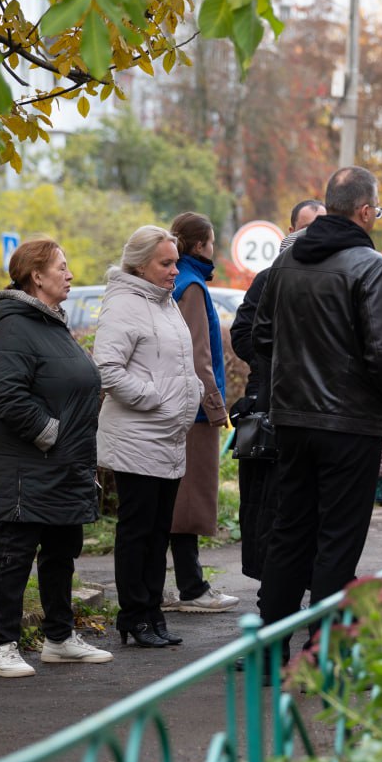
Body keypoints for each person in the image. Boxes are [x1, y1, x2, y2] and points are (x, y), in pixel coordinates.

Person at [253, 166, 382, 657]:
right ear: (364, 211)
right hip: (351, 424)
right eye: (376, 211)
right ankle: (323, 647)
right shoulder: (372, 266)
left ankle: (270, 646)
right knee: (339, 537)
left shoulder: (286, 262)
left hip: (293, 421)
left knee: (290, 531)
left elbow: (260, 336)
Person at [0, 239, 112, 677]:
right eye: (62, 266)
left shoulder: (51, 324)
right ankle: (0, 647)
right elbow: (6, 396)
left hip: (64, 464)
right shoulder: (16, 326)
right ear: (36, 276)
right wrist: (50, 434)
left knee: (61, 551)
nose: (70, 274)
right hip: (29, 466)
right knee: (14, 553)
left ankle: (59, 638)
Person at [94, 226, 204, 647]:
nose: (175, 270)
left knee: (160, 532)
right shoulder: (124, 304)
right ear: (140, 264)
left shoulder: (164, 302)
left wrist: (190, 391)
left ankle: (153, 613)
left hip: (167, 437)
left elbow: (178, 361)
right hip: (138, 436)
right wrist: (152, 398)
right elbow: (107, 368)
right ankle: (133, 617)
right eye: (166, 263)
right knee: (138, 531)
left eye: (175, 261)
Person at [230, 197, 327, 581]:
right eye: (306, 227)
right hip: (271, 406)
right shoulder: (269, 278)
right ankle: (272, 587)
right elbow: (243, 334)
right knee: (270, 504)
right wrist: (274, 365)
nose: (314, 235)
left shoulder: (333, 277)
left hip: (314, 410)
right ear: (290, 231)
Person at [162, 211, 240, 614]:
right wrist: (214, 406)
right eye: (211, 241)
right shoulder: (192, 286)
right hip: (192, 410)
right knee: (188, 503)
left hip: (175, 406)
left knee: (174, 502)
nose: (214, 248)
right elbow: (198, 355)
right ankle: (191, 588)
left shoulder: (178, 280)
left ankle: (177, 586)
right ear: (199, 245)